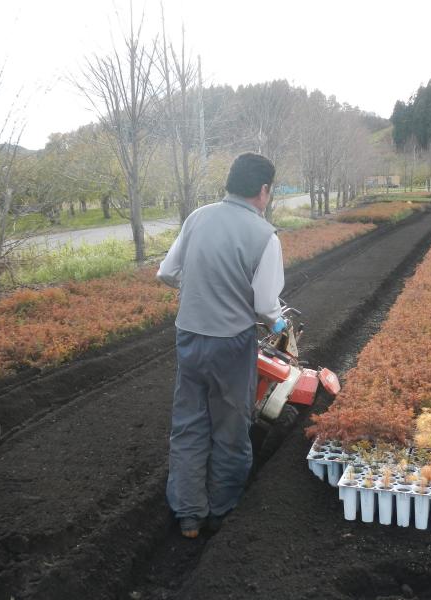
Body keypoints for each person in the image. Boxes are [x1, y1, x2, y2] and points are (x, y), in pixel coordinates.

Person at [156, 152, 286, 538]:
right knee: (230, 427)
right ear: (263, 190)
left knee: (189, 424)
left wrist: (199, 290)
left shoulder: (198, 217)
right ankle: (222, 509)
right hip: (231, 344)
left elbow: (165, 272)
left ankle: (188, 514)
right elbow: (264, 305)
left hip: (189, 336)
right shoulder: (265, 235)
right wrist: (278, 322)